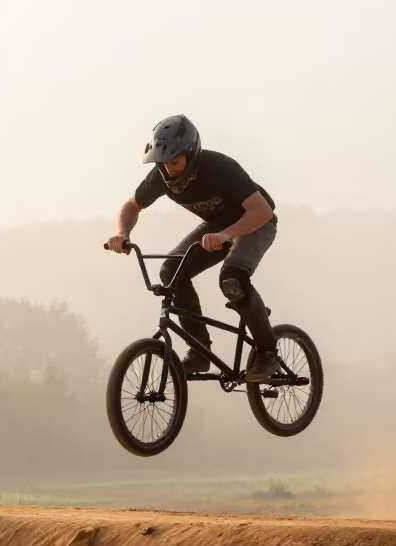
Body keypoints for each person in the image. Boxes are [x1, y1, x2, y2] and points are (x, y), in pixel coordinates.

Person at [106, 115, 280, 382]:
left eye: (174, 162)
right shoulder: (160, 178)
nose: (169, 170)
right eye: (162, 164)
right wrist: (122, 233)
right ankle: (199, 352)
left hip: (255, 223)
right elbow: (131, 206)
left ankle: (268, 353)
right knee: (171, 272)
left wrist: (227, 234)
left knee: (232, 280)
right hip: (218, 227)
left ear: (191, 155)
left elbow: (262, 211)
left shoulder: (221, 168)